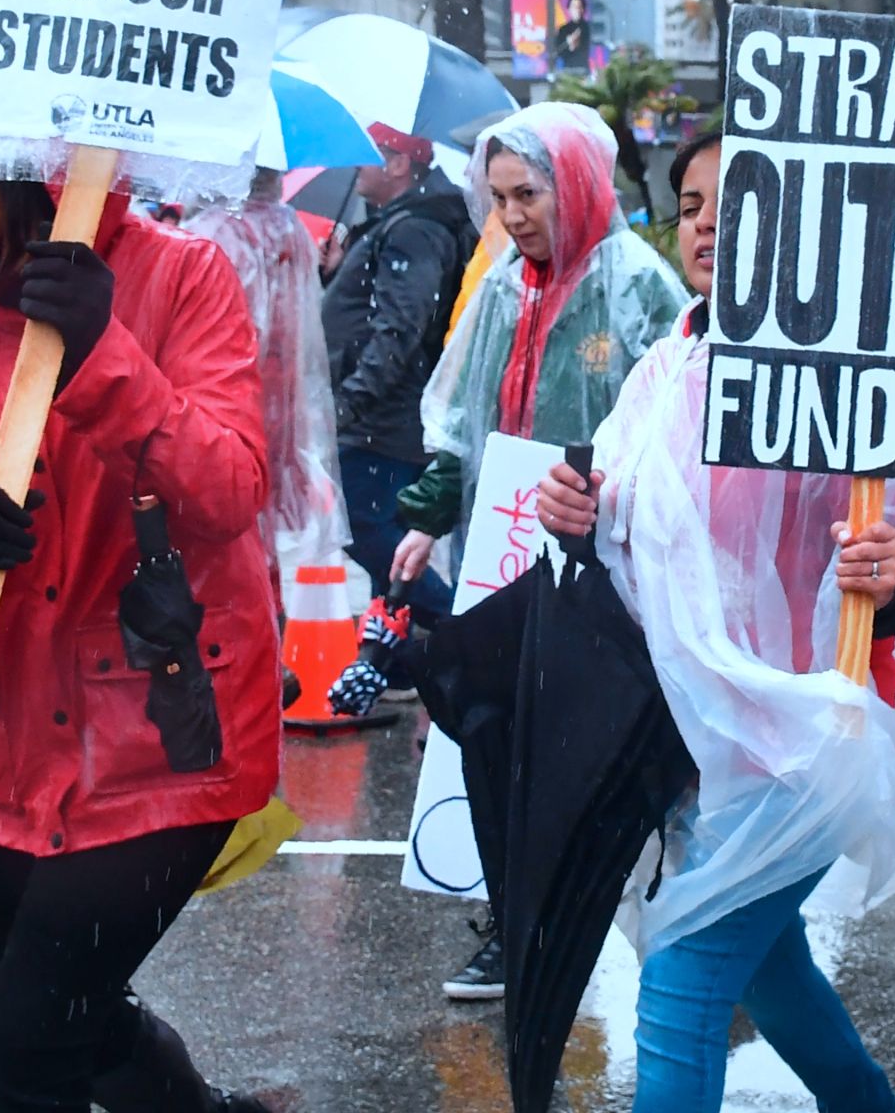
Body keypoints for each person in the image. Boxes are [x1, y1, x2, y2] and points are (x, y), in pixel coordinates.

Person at [524, 128, 895, 1113]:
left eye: (735, 202)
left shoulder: (839, 381)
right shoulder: (665, 367)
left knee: (681, 984)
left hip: (796, 749)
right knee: (768, 970)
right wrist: (576, 512)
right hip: (685, 744)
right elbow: (629, 535)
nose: (708, 222)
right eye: (692, 205)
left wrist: (890, 577)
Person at [0, 53, 278, 1113]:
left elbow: (228, 490)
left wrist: (103, 355)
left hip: (161, 731)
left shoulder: (181, 277)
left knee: (32, 1053)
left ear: (31, 154)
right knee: (78, 1022)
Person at [384, 102, 686, 1000]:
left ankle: (666, 930)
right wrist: (428, 513)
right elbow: (463, 415)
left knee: (598, 749)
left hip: (604, 557)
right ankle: (515, 925)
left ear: (581, 184)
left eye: (530, 194)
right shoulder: (504, 286)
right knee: (503, 737)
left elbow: (682, 424)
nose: (513, 216)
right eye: (500, 196)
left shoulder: (637, 286)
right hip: (504, 543)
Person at [319, 121, 478, 631]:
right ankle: (395, 654)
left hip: (384, 421)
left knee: (370, 531)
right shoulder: (401, 223)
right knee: (385, 531)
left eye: (369, 154)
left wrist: (353, 400)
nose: (357, 166)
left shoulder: (413, 228)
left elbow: (400, 324)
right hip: (385, 416)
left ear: (397, 164)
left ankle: (460, 631)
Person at [181, 164, 349, 575]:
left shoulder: (210, 233)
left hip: (224, 392)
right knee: (267, 507)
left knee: (228, 515)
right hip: (283, 395)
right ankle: (266, 602)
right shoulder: (289, 225)